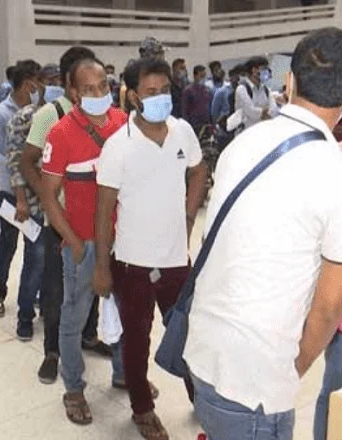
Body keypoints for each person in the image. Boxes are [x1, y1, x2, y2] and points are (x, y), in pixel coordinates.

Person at [184, 27, 342, 440]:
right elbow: (330, 305)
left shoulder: (244, 144)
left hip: (204, 352)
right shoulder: (335, 172)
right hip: (254, 386)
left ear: (289, 82)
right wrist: (294, 368)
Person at [94, 57, 207, 440]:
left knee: (187, 335)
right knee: (137, 340)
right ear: (133, 97)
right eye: (151, 92)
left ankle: (201, 400)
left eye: (165, 90)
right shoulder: (118, 145)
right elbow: (104, 209)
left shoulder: (182, 131)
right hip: (133, 264)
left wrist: (188, 216)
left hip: (176, 261)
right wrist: (102, 267)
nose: (160, 98)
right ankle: (142, 409)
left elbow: (199, 170)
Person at [41, 57, 126, 426]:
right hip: (84, 245)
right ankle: (74, 388)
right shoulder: (60, 133)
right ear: (73, 92)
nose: (98, 94)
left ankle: (123, 373)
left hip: (124, 241)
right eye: (88, 89)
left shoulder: (122, 123)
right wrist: (74, 243)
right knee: (74, 318)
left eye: (103, 86)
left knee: (126, 312)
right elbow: (48, 197)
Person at [21, 47, 112, 385]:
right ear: (70, 85)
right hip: (62, 221)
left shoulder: (110, 117)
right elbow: (26, 160)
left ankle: (89, 336)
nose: (95, 92)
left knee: (94, 285)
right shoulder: (50, 115)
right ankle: (52, 352)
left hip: (99, 220)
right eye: (85, 85)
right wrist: (48, 195)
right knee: (58, 291)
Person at [0, 60, 41, 337]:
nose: (40, 87)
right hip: (10, 192)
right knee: (7, 245)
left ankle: (32, 298)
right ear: (26, 85)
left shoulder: (41, 113)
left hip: (37, 195)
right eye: (37, 83)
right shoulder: (0, 114)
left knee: (35, 251)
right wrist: (17, 163)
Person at [0, 62, 49, 341]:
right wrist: (20, 198)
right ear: (36, 85)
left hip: (63, 203)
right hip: (34, 202)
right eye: (47, 81)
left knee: (57, 265)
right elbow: (14, 161)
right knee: (35, 260)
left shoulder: (68, 117)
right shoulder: (23, 118)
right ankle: (25, 315)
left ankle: (49, 309)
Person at [235, 56, 278, 130]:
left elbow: (274, 110)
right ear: (254, 70)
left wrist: (263, 112)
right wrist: (263, 111)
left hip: (264, 131)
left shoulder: (266, 89)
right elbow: (251, 112)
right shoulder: (242, 89)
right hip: (247, 132)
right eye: (264, 68)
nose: (267, 71)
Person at [211, 66, 242, 149]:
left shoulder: (244, 91)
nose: (238, 78)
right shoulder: (222, 92)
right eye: (236, 76)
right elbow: (214, 112)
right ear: (231, 77)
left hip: (240, 127)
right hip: (225, 129)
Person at [181, 65, 211, 137]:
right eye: (201, 76)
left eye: (204, 76)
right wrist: (187, 127)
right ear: (195, 76)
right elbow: (184, 111)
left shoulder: (206, 89)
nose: (203, 78)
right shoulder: (188, 91)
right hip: (194, 126)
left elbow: (209, 106)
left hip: (206, 124)